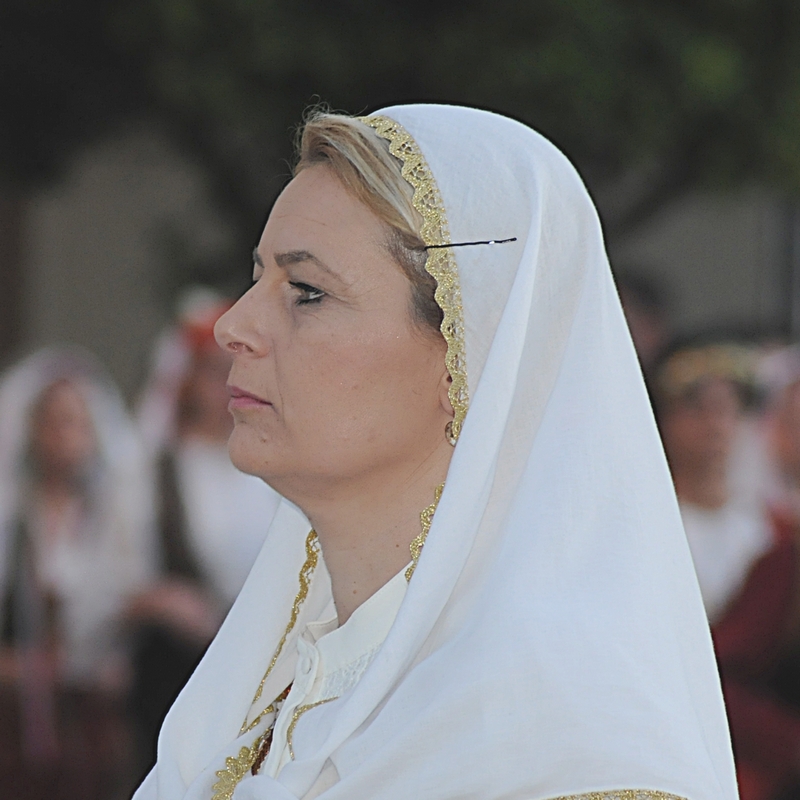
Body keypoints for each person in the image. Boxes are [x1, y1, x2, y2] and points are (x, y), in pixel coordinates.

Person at [134, 105, 737, 800]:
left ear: (468, 357)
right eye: (257, 278)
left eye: (306, 292)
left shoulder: (570, 741)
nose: (234, 325)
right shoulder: (261, 697)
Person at [129, 289, 280, 781]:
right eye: (215, 371)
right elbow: (113, 583)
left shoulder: (270, 467)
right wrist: (161, 600)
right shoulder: (152, 470)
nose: (229, 382)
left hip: (258, 669)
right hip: (174, 675)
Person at [0, 346, 152, 800]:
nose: (64, 436)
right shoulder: (12, 518)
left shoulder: (114, 521)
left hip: (94, 716)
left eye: (76, 422)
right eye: (53, 422)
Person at [655, 340, 800, 800]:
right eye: (697, 409)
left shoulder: (776, 532)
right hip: (667, 725)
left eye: (729, 409)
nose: (716, 425)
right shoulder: (646, 526)